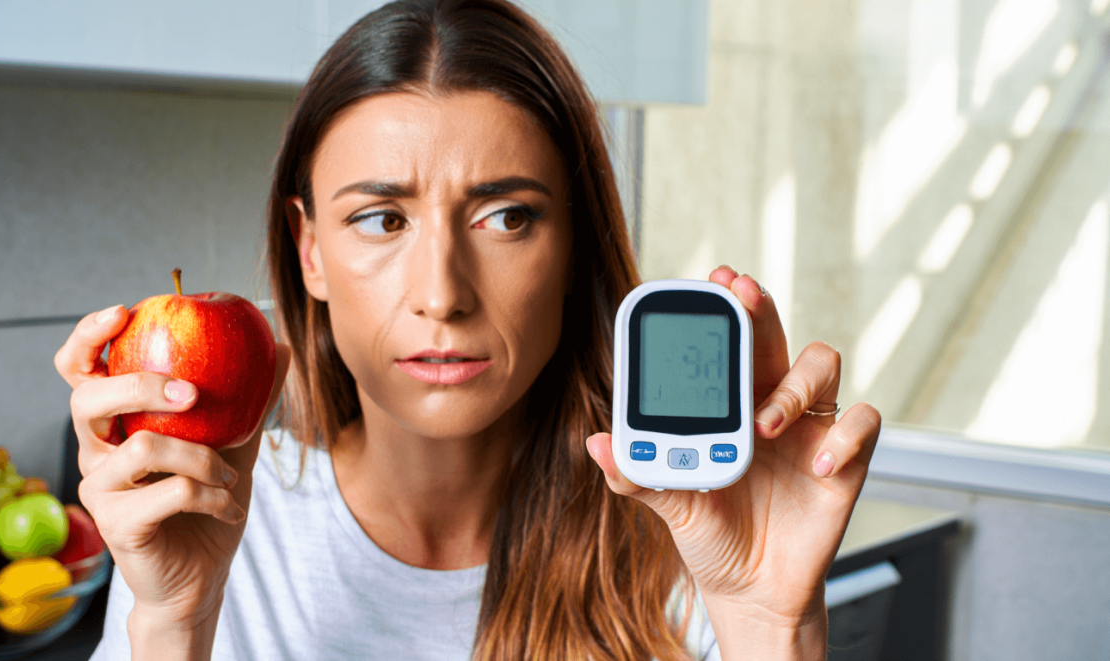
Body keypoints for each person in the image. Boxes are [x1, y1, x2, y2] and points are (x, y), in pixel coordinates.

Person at [54, 0, 882, 659]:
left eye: (506, 216)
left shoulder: (691, 534)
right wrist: (171, 622)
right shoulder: (207, 515)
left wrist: (769, 623)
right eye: (381, 219)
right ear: (311, 250)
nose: (442, 295)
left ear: (575, 245)